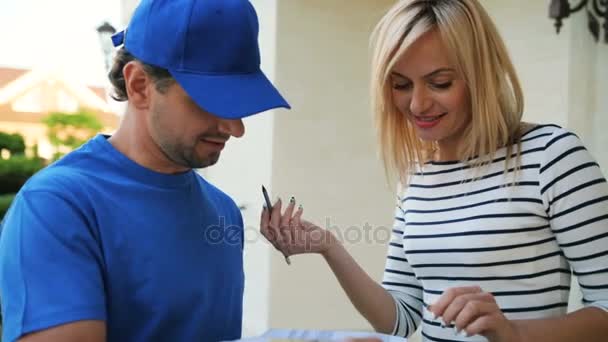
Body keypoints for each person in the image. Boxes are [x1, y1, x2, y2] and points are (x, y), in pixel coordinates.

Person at [260, 0, 608, 341]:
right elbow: (401, 319)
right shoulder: (416, 178)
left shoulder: (551, 156)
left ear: (480, 76)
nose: (417, 104)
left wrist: (513, 333)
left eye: (439, 82)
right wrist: (329, 247)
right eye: (401, 85)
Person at [0, 0, 291, 341]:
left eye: (240, 103)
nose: (235, 128)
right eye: (212, 100)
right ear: (139, 85)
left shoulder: (224, 211)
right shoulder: (58, 206)